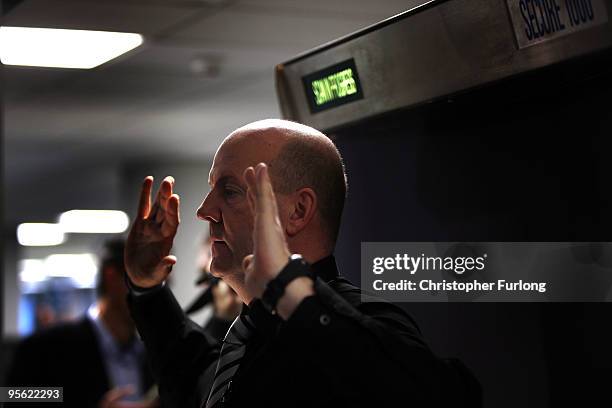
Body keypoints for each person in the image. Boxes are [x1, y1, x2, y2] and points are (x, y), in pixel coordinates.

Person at [124, 119, 480, 407]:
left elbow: (441, 398)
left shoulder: (357, 322)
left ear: (297, 212)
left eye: (230, 191)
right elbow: (194, 378)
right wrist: (146, 287)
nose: (203, 211)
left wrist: (289, 288)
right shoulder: (250, 338)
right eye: (212, 188)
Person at [7, 240, 158, 408]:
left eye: (164, 285)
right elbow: (14, 397)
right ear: (112, 276)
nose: (157, 295)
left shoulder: (156, 356)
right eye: (147, 281)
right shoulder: (45, 348)